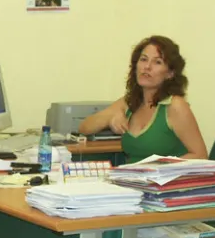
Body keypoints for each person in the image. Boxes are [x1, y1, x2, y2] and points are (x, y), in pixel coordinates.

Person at [78, 35, 208, 163]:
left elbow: (201, 156)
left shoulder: (175, 106)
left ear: (170, 73)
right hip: (132, 175)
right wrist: (110, 118)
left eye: (157, 62)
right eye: (144, 59)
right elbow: (84, 127)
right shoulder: (129, 101)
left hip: (166, 176)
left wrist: (159, 168)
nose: (147, 67)